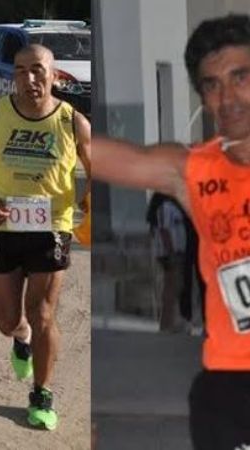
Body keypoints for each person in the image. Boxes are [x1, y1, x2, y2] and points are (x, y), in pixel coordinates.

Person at [92, 14, 250, 449]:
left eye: (240, 77)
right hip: (232, 386)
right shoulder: (193, 170)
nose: (227, 97)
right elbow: (100, 155)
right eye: (211, 85)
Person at [0, 43, 91, 430]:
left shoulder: (72, 122)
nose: (29, 78)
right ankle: (21, 337)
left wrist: (91, 199)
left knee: (43, 312)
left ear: (54, 76)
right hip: (2, 227)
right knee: (7, 319)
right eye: (20, 70)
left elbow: (97, 165)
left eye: (37, 70)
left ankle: (42, 394)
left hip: (51, 228)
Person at [147, 193, 189, 332]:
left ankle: (170, 319)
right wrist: (171, 251)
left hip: (175, 251)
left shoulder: (172, 207)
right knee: (172, 287)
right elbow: (164, 230)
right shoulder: (165, 207)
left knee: (174, 286)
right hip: (170, 253)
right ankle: (167, 322)